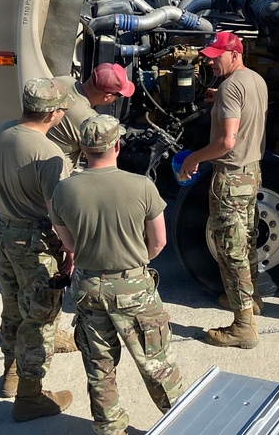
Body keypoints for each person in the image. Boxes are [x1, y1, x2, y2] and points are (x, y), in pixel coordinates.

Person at [50, 115, 184, 435]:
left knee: (99, 366)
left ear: (83, 149)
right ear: (117, 145)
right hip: (133, 287)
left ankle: (109, 427)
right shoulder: (142, 186)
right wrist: (135, 263)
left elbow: (68, 243)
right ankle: (181, 423)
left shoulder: (64, 190)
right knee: (157, 364)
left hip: (88, 288)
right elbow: (159, 241)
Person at [0, 77, 75, 421]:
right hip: (36, 242)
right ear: (52, 113)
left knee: (12, 309)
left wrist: (8, 211)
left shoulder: (0, 132)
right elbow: (60, 211)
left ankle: (10, 375)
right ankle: (30, 397)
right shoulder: (49, 154)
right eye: (63, 108)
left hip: (4, 230)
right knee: (40, 319)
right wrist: (70, 251)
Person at [179, 31, 268, 349]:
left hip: (230, 177)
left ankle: (243, 325)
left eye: (217, 55)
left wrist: (193, 158)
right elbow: (243, 111)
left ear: (234, 54)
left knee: (230, 250)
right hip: (251, 172)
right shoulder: (254, 80)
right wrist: (220, 100)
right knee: (247, 240)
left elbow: (226, 141)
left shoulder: (231, 88)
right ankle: (251, 296)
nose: (210, 60)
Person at [49, 63, 136, 168]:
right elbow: (101, 159)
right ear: (107, 97)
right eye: (119, 95)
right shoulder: (89, 122)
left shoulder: (64, 80)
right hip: (54, 173)